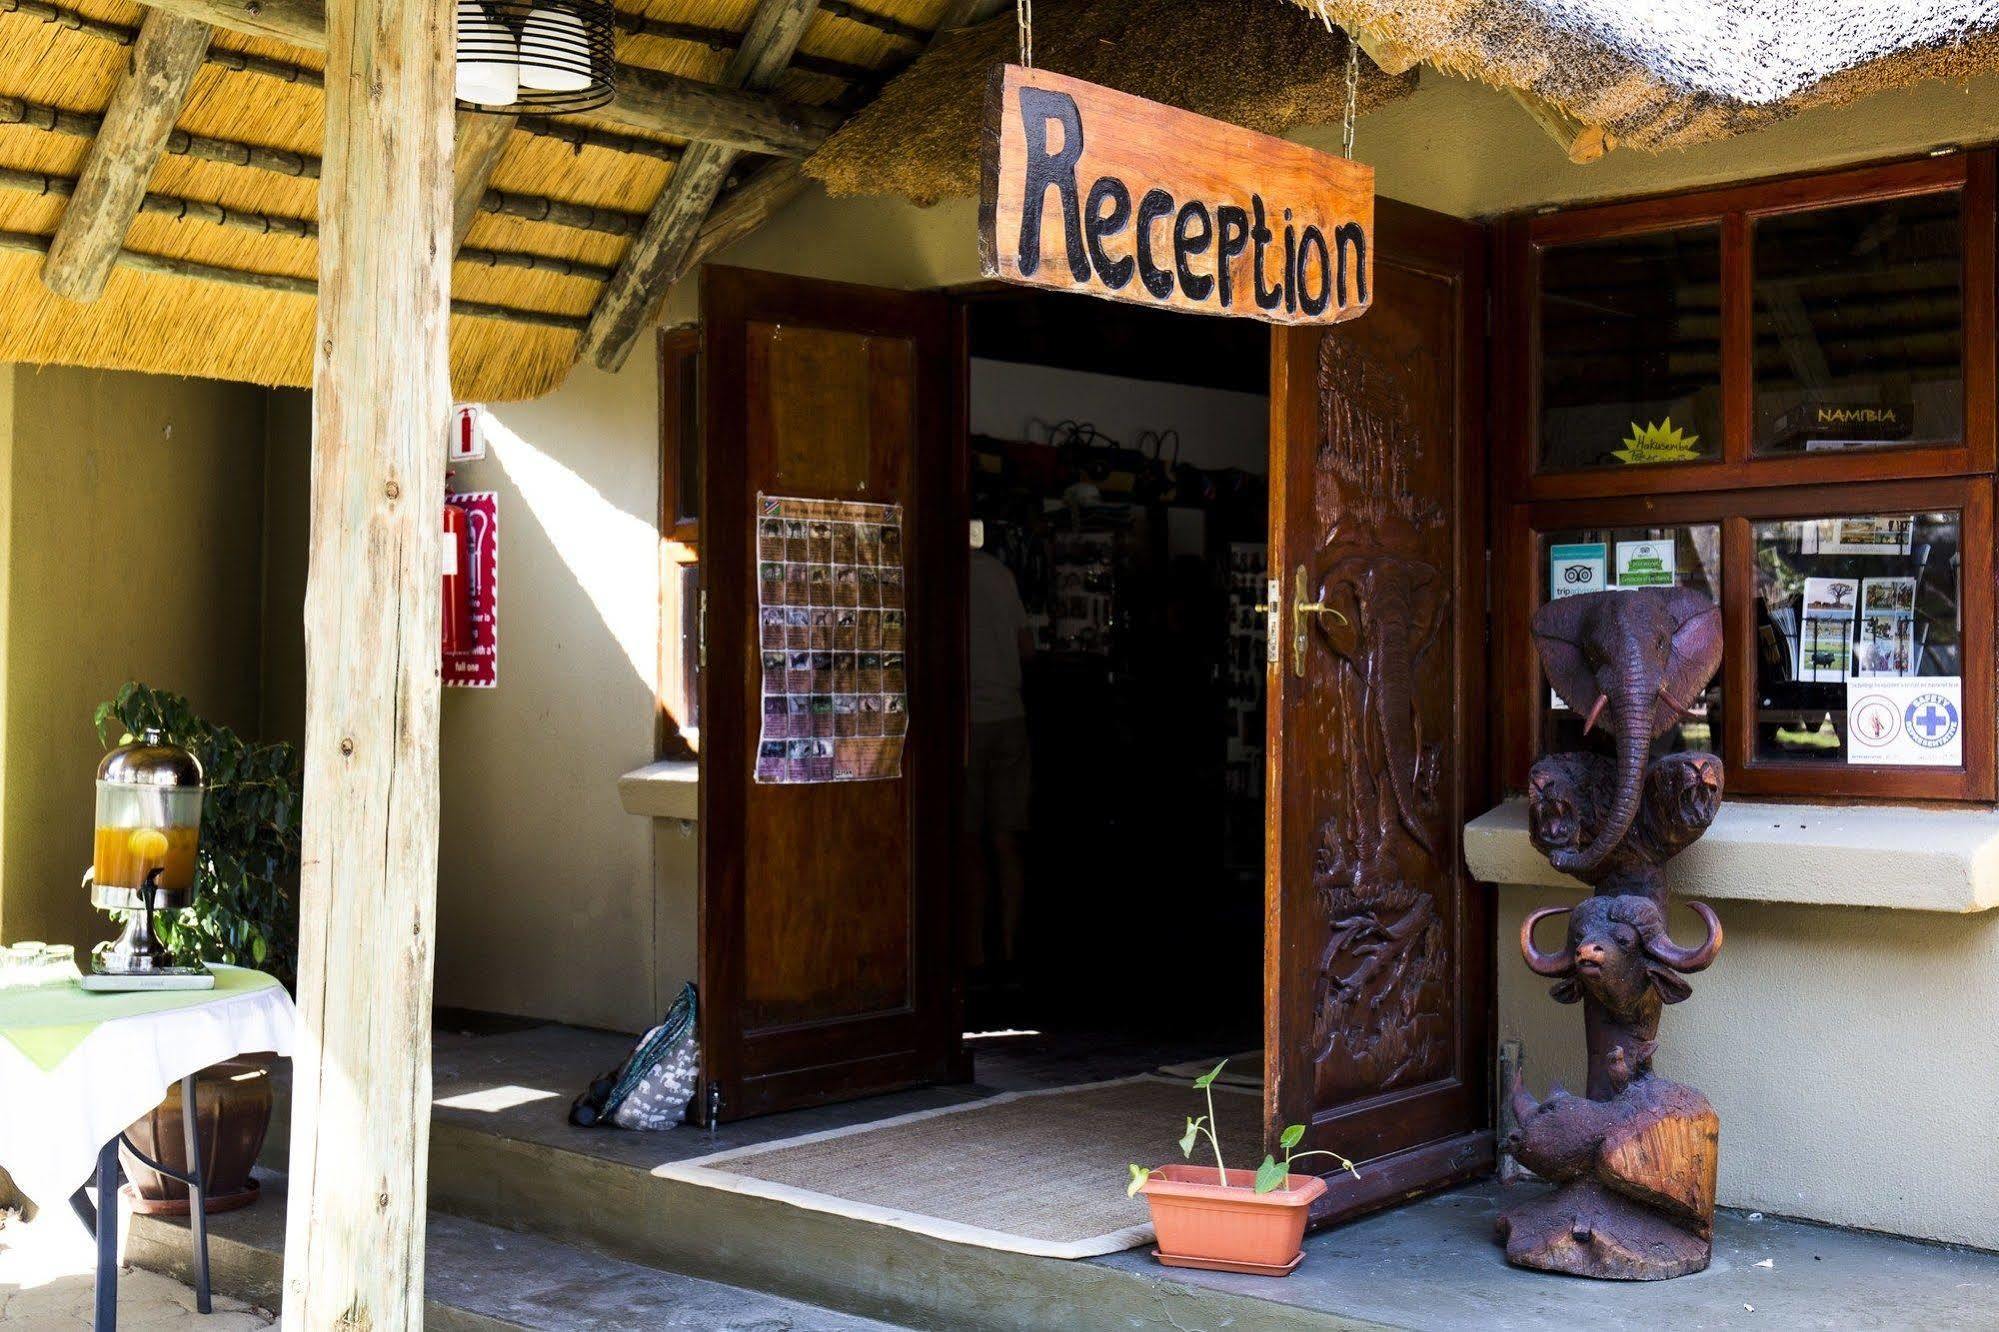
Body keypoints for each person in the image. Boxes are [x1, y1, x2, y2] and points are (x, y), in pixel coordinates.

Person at [967, 538, 1034, 976]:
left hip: (967, 722)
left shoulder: (941, 576)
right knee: (1006, 840)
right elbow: (1027, 650)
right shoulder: (1000, 574)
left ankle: (973, 951)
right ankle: (1009, 948)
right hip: (1010, 717)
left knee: (969, 842)